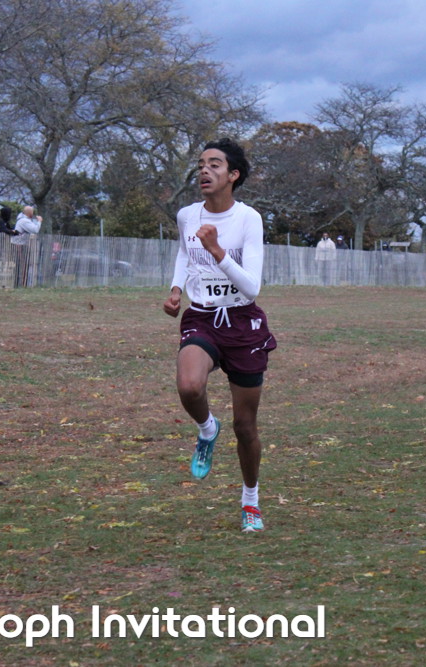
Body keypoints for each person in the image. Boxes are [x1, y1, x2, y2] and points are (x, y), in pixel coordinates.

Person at [162, 138, 277, 533]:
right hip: (203, 317)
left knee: (245, 427)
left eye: (214, 164)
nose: (204, 170)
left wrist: (217, 251)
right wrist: (177, 288)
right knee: (189, 385)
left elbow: (252, 287)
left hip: (243, 323)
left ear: (233, 175)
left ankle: (251, 501)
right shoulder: (187, 215)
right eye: (200, 164)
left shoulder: (248, 219)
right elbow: (184, 252)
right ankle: (207, 428)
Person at [11, 205, 42, 287]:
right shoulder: (24, 221)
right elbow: (35, 230)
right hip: (19, 245)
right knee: (22, 265)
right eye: (32, 212)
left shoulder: (23, 219)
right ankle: (21, 284)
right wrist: (39, 221)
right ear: (30, 213)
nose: (33, 213)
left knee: (21, 265)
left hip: (20, 244)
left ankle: (20, 284)